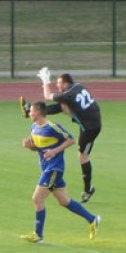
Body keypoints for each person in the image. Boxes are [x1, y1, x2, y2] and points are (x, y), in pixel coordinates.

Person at [20, 100, 100, 243]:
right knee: (64, 201)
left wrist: (55, 151)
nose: (29, 113)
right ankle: (92, 219)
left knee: (37, 199)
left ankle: (38, 235)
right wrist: (29, 146)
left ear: (38, 112)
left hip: (54, 169)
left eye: (31, 111)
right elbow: (38, 148)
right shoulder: (34, 127)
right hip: (46, 168)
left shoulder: (52, 127)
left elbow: (71, 140)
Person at [21, 67, 101, 203]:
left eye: (59, 83)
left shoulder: (68, 94)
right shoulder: (78, 86)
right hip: (90, 118)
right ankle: (30, 110)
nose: (57, 86)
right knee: (62, 105)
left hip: (90, 128)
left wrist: (45, 81)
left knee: (83, 157)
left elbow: (47, 96)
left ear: (65, 83)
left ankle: (88, 190)